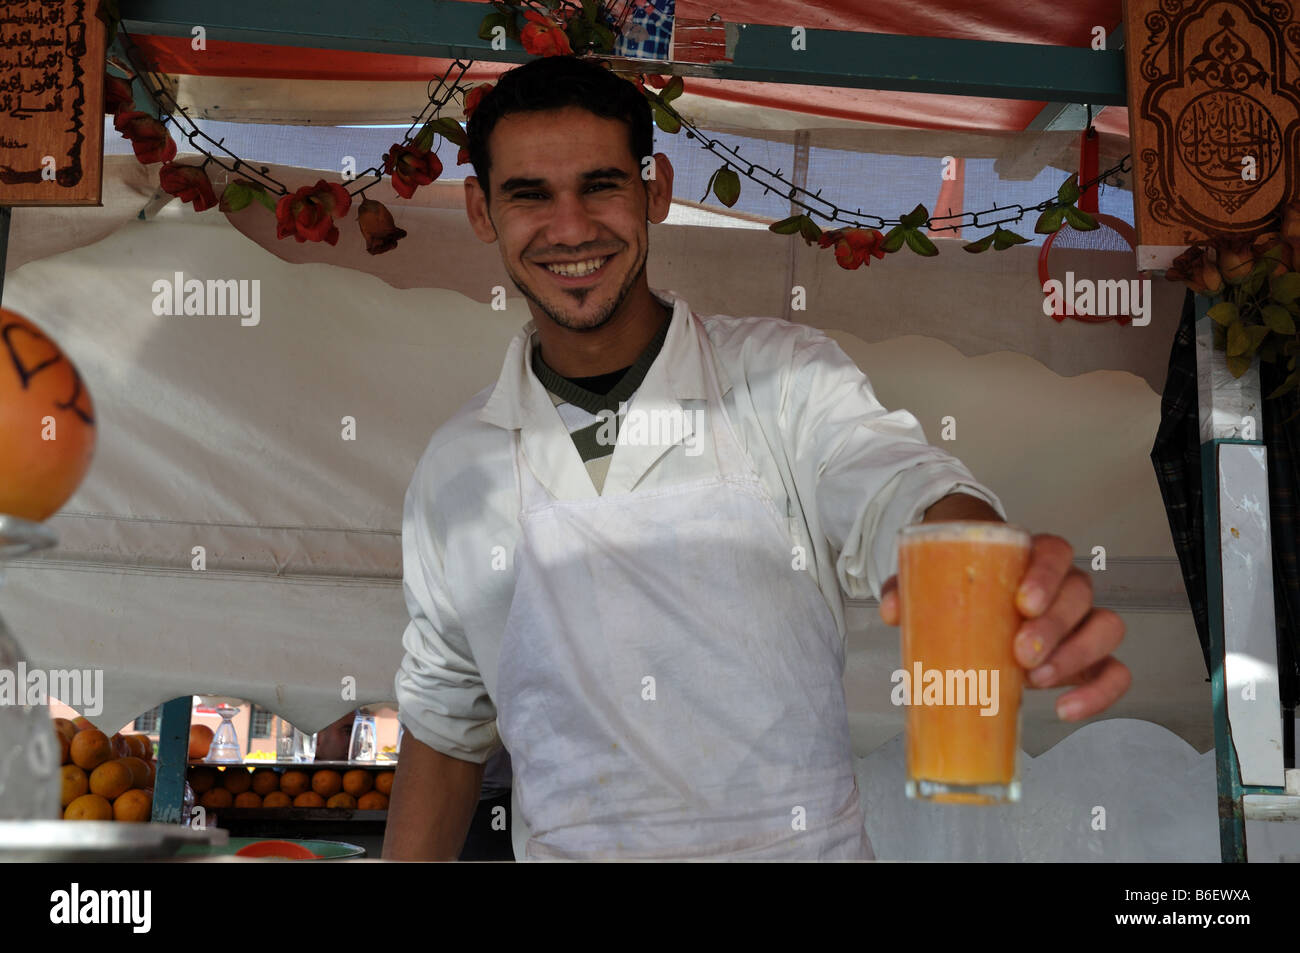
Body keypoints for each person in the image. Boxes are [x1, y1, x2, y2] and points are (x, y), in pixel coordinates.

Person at [383, 55, 1130, 862]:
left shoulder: (784, 381)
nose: (570, 228)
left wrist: (987, 558)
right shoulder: (456, 469)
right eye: (530, 194)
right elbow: (444, 724)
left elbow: (898, 491)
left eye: (601, 185)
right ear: (480, 209)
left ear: (654, 190)